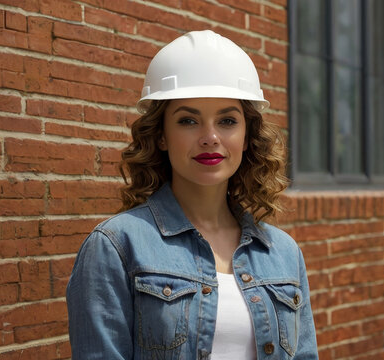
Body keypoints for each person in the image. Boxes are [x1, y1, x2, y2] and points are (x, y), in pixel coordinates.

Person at [66, 30, 318, 360]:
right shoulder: (116, 246)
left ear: (246, 137)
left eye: (227, 120)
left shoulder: (283, 252)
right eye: (188, 120)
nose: (210, 137)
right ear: (161, 136)